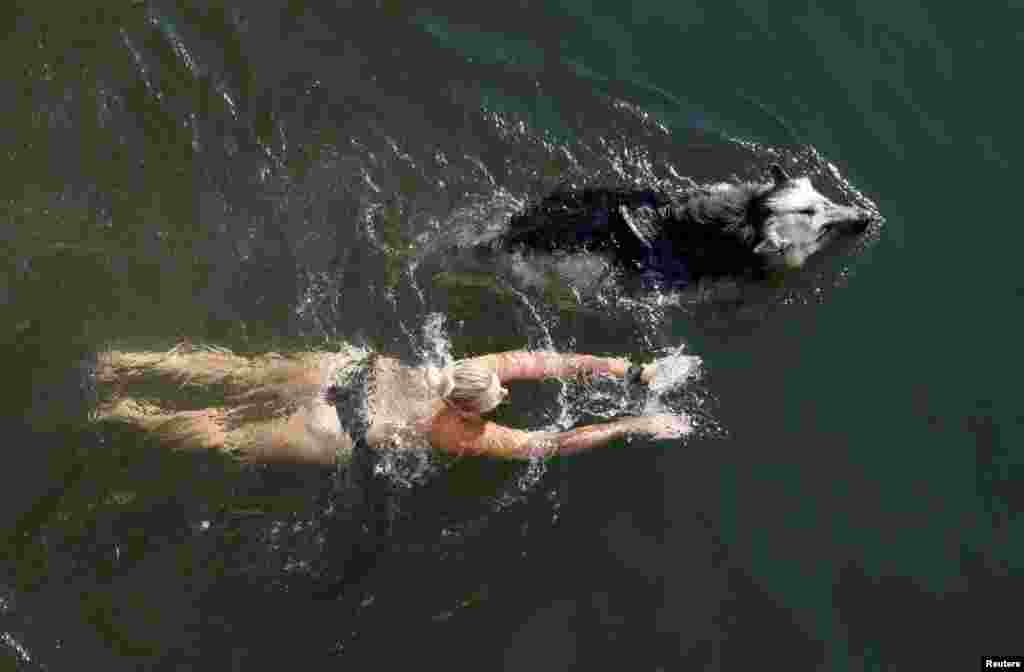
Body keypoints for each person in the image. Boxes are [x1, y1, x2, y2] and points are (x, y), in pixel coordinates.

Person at [94, 341, 690, 467]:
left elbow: (547, 362)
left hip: (342, 370)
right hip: (335, 428)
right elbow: (553, 443)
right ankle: (124, 413)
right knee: (222, 431)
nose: (505, 393)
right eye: (495, 403)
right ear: (469, 412)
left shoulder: (468, 370)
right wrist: (635, 420)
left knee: (239, 372)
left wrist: (626, 368)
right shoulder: (459, 432)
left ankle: (129, 363)